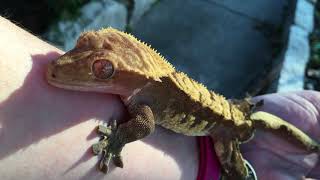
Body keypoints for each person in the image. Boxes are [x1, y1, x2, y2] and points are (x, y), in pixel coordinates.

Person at [0, 16, 319, 180]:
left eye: (103, 69)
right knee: (257, 120)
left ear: (126, 75)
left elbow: (143, 125)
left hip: (224, 128)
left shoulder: (142, 102)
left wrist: (116, 140)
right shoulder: (143, 84)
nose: (61, 66)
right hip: (230, 109)